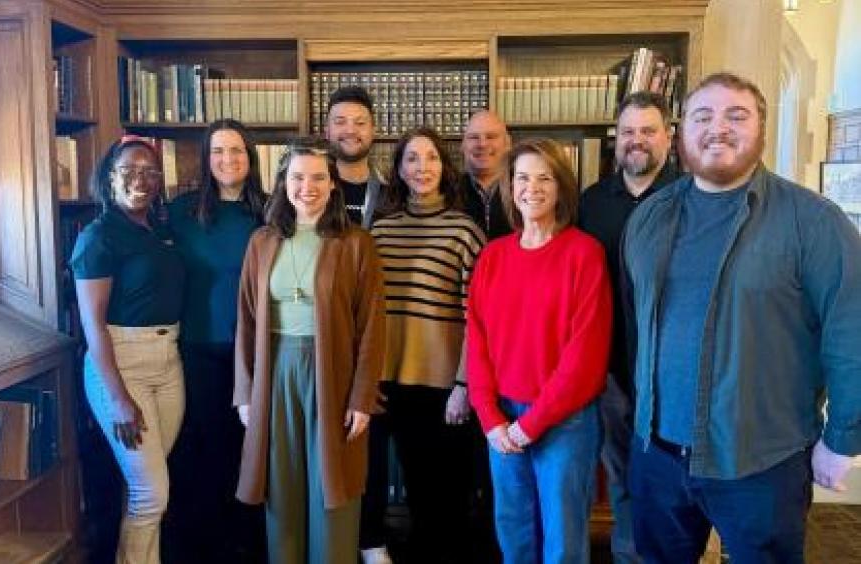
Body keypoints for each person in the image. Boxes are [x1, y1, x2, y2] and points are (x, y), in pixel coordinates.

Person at [622, 72, 861, 564]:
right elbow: (639, 325)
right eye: (702, 116)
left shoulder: (813, 221)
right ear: (681, 131)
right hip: (658, 455)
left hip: (762, 462)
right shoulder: (649, 218)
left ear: (762, 129)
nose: (718, 128)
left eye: (737, 115)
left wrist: (843, 438)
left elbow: (851, 331)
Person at [233, 138, 386, 564]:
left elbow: (372, 327)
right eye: (298, 177)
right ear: (283, 183)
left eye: (319, 177)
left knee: (332, 485)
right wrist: (244, 392)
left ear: (333, 184)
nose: (308, 186)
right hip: (275, 372)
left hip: (334, 373)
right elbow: (246, 320)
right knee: (281, 486)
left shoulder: (357, 243)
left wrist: (362, 398)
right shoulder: (261, 242)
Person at [467, 138, 612, 564]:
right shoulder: (493, 257)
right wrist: (491, 419)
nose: (533, 187)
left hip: (563, 422)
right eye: (523, 178)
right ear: (511, 187)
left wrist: (530, 425)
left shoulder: (584, 254)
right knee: (513, 533)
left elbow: (585, 358)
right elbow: (476, 341)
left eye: (544, 178)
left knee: (563, 542)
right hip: (502, 420)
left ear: (561, 187)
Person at [369, 127, 486, 564]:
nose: (422, 168)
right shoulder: (380, 232)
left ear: (444, 166)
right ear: (398, 169)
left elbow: (479, 315)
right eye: (412, 159)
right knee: (414, 489)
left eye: (431, 158)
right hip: (388, 381)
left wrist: (464, 384)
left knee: (448, 492)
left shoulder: (464, 230)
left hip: (445, 386)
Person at [71, 137, 185, 564]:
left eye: (150, 172)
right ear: (109, 177)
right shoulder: (98, 236)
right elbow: (92, 325)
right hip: (122, 365)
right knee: (151, 494)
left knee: (146, 491)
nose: (141, 180)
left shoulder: (157, 229)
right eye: (129, 171)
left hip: (168, 362)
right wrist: (118, 398)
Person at [577, 91, 680, 564]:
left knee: (670, 481)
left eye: (648, 131)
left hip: (671, 375)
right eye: (628, 132)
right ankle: (627, 554)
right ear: (615, 139)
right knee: (621, 476)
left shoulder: (691, 198)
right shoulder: (592, 202)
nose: (636, 141)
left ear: (669, 136)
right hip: (613, 370)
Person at [163, 119, 267, 563]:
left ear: (251, 158)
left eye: (237, 151)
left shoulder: (269, 210)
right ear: (206, 159)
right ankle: (212, 545)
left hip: (258, 350)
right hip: (198, 347)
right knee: (207, 449)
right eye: (219, 152)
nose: (228, 160)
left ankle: (251, 543)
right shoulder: (180, 212)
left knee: (255, 448)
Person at [325, 85, 386, 227]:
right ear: (327, 132)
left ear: (373, 131)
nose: (350, 130)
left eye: (360, 123)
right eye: (340, 122)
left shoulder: (391, 195)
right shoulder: (312, 191)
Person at [459, 110, 512, 240]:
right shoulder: (447, 192)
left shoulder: (525, 189)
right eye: (474, 137)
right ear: (463, 146)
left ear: (507, 144)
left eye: (491, 136)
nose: (482, 144)